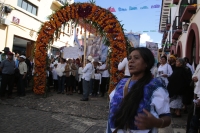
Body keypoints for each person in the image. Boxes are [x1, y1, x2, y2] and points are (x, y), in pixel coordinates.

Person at [107, 47, 171, 133]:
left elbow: (166, 118)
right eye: (130, 58)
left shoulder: (155, 86)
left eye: (136, 58)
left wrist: (156, 122)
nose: (131, 61)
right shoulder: (122, 82)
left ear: (146, 63)